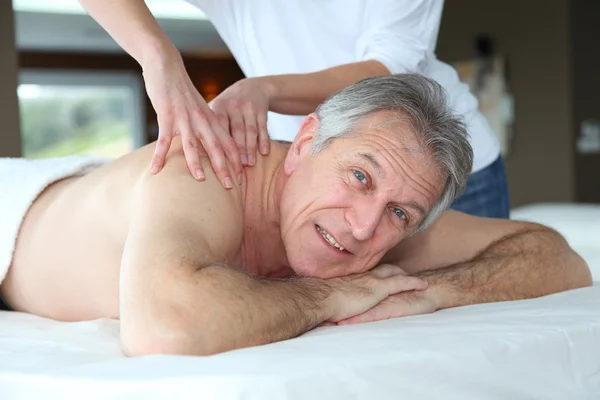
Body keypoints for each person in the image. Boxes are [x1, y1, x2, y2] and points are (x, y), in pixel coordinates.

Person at [0, 75, 591, 357]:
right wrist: (334, 296)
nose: (363, 226)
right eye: (358, 176)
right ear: (305, 143)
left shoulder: (382, 224)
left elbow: (555, 257)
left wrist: (431, 292)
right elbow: (167, 328)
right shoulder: (207, 172)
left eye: (399, 212)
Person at [78, 0, 510, 218]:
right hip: (310, 164)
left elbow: (388, 69)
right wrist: (160, 61)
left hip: (446, 171)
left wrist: (264, 89)